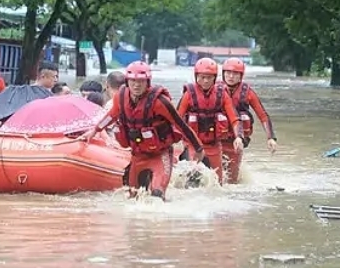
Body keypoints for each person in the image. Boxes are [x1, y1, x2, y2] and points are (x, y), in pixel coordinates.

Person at [81, 61, 205, 201]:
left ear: (148, 82)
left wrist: (198, 148)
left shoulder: (160, 102)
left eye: (141, 81)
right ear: (127, 82)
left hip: (160, 154)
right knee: (132, 197)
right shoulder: (120, 98)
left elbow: (181, 124)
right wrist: (94, 131)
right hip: (138, 155)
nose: (136, 85)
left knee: (157, 196)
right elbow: (110, 116)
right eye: (133, 81)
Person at [177, 58, 244, 184]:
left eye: (209, 77)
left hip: (214, 145)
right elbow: (176, 119)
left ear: (215, 77)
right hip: (193, 145)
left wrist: (239, 137)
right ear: (196, 76)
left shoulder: (222, 94)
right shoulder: (188, 95)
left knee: (217, 184)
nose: (206, 81)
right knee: (192, 181)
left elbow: (235, 119)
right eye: (202, 77)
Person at [220, 57, 277, 183]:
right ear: (223, 73)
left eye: (235, 73)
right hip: (216, 140)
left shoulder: (248, 93)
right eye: (228, 73)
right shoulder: (214, 90)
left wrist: (270, 137)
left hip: (236, 142)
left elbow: (262, 115)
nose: (230, 76)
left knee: (231, 181)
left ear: (241, 76)